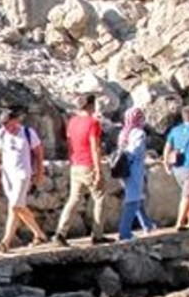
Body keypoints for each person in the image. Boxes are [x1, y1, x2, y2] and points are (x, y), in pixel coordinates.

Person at [52, 94, 109, 245]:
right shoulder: (93, 123)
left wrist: (72, 160)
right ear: (91, 105)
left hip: (75, 164)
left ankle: (60, 233)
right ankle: (97, 235)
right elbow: (94, 147)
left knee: (74, 199)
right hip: (89, 164)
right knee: (100, 197)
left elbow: (69, 144)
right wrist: (98, 170)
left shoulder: (72, 122)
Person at [0, 108, 47, 250]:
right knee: (18, 206)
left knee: (14, 206)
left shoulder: (28, 133)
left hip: (23, 174)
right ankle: (39, 234)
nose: (7, 128)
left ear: (15, 121)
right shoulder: (1, 134)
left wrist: (39, 173)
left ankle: (5, 242)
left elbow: (39, 154)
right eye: (4, 125)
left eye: (8, 124)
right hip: (7, 176)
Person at [115, 107, 149, 241]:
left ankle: (147, 224)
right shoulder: (139, 133)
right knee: (133, 199)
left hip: (123, 170)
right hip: (134, 169)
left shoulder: (123, 133)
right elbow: (136, 151)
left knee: (137, 196)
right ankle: (125, 232)